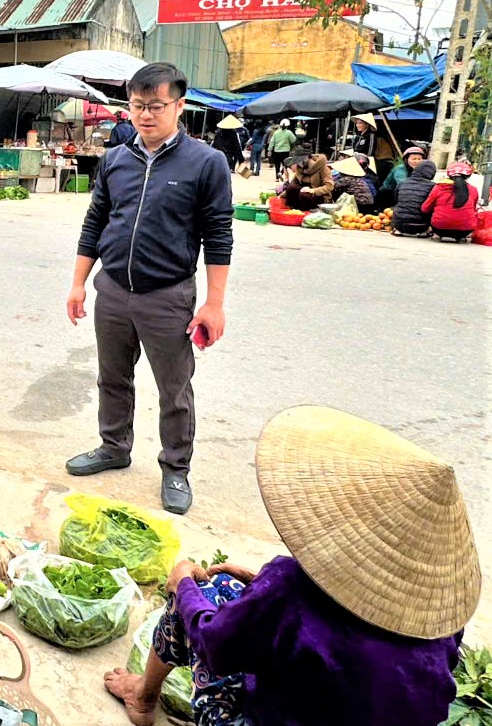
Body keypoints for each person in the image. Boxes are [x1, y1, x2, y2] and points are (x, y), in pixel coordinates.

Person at [105, 405, 476, 726]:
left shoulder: (290, 585)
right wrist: (260, 584)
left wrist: (183, 584)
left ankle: (143, 696)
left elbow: (215, 643)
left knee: (203, 594)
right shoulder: (441, 616)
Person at [66, 62, 233, 515]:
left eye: (156, 106)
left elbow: (218, 234)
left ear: (179, 105)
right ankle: (113, 447)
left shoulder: (206, 163)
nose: (145, 114)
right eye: (137, 105)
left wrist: (213, 304)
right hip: (114, 291)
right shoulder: (115, 159)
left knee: (174, 388)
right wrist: (79, 283)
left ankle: (176, 468)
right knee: (112, 377)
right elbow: (95, 222)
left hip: (168, 295)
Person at [422, 160, 479, 241]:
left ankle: (437, 235)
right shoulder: (474, 190)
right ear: (468, 175)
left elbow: (425, 208)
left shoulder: (439, 187)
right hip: (465, 230)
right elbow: (473, 209)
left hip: (439, 228)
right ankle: (461, 238)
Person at [391, 159, 438, 236]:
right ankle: (424, 232)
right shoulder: (433, 187)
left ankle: (398, 230)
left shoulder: (403, 183)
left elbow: (396, 199)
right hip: (421, 226)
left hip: (400, 224)